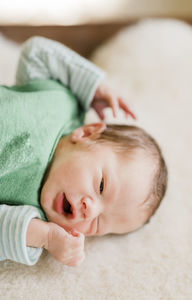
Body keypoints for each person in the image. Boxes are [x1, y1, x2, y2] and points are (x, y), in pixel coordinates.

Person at [0, 36, 168, 267]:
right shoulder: (63, 104)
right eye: (100, 186)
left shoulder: (30, 218)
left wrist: (45, 237)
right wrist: (92, 86)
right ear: (87, 134)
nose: (90, 211)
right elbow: (36, 53)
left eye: (97, 224)